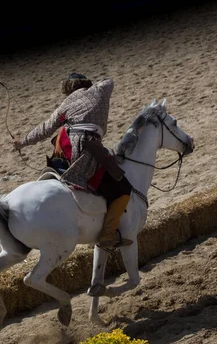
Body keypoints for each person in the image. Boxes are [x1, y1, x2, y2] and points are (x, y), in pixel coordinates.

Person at [12, 73, 133, 249]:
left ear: (68, 89)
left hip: (72, 149)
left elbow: (45, 128)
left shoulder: (66, 104)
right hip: (89, 146)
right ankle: (107, 233)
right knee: (123, 188)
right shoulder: (100, 90)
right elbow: (110, 80)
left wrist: (22, 142)